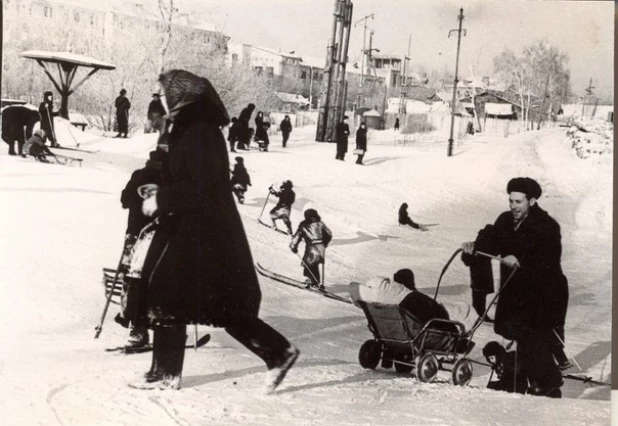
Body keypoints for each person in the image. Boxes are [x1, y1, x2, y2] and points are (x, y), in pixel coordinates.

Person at [128, 69, 299, 392]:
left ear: (180, 95)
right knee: (201, 301)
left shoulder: (201, 132)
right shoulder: (188, 128)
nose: (159, 98)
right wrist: (155, 188)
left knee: (190, 298)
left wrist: (162, 198)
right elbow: (183, 175)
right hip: (193, 229)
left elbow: (205, 186)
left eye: (162, 92)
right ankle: (277, 352)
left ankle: (167, 373)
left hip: (206, 234)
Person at [461, 177, 568, 398]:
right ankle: (513, 380)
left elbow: (549, 262)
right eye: (511, 201)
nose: (513, 206)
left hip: (546, 291)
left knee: (533, 336)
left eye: (518, 202)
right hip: (514, 290)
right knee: (509, 333)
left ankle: (547, 383)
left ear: (532, 200)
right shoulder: (505, 220)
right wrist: (474, 247)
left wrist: (522, 260)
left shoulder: (547, 226)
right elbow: (490, 242)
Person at [114, 146, 167, 348]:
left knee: (130, 276)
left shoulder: (138, 175)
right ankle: (142, 326)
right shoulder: (169, 179)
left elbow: (125, 200)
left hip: (133, 235)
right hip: (154, 237)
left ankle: (129, 318)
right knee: (148, 281)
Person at [290, 209, 332, 289]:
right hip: (320, 247)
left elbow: (297, 236)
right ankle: (314, 281)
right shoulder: (320, 224)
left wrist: (293, 246)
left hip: (312, 246)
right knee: (314, 263)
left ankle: (312, 280)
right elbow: (329, 234)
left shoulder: (304, 225)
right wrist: (325, 242)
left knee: (308, 262)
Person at [460, 225, 495, 321]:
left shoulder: (487, 246)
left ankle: (480, 314)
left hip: (484, 276)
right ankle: (477, 316)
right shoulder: (474, 247)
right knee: (478, 297)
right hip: (478, 277)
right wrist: (469, 254)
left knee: (480, 296)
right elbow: (466, 260)